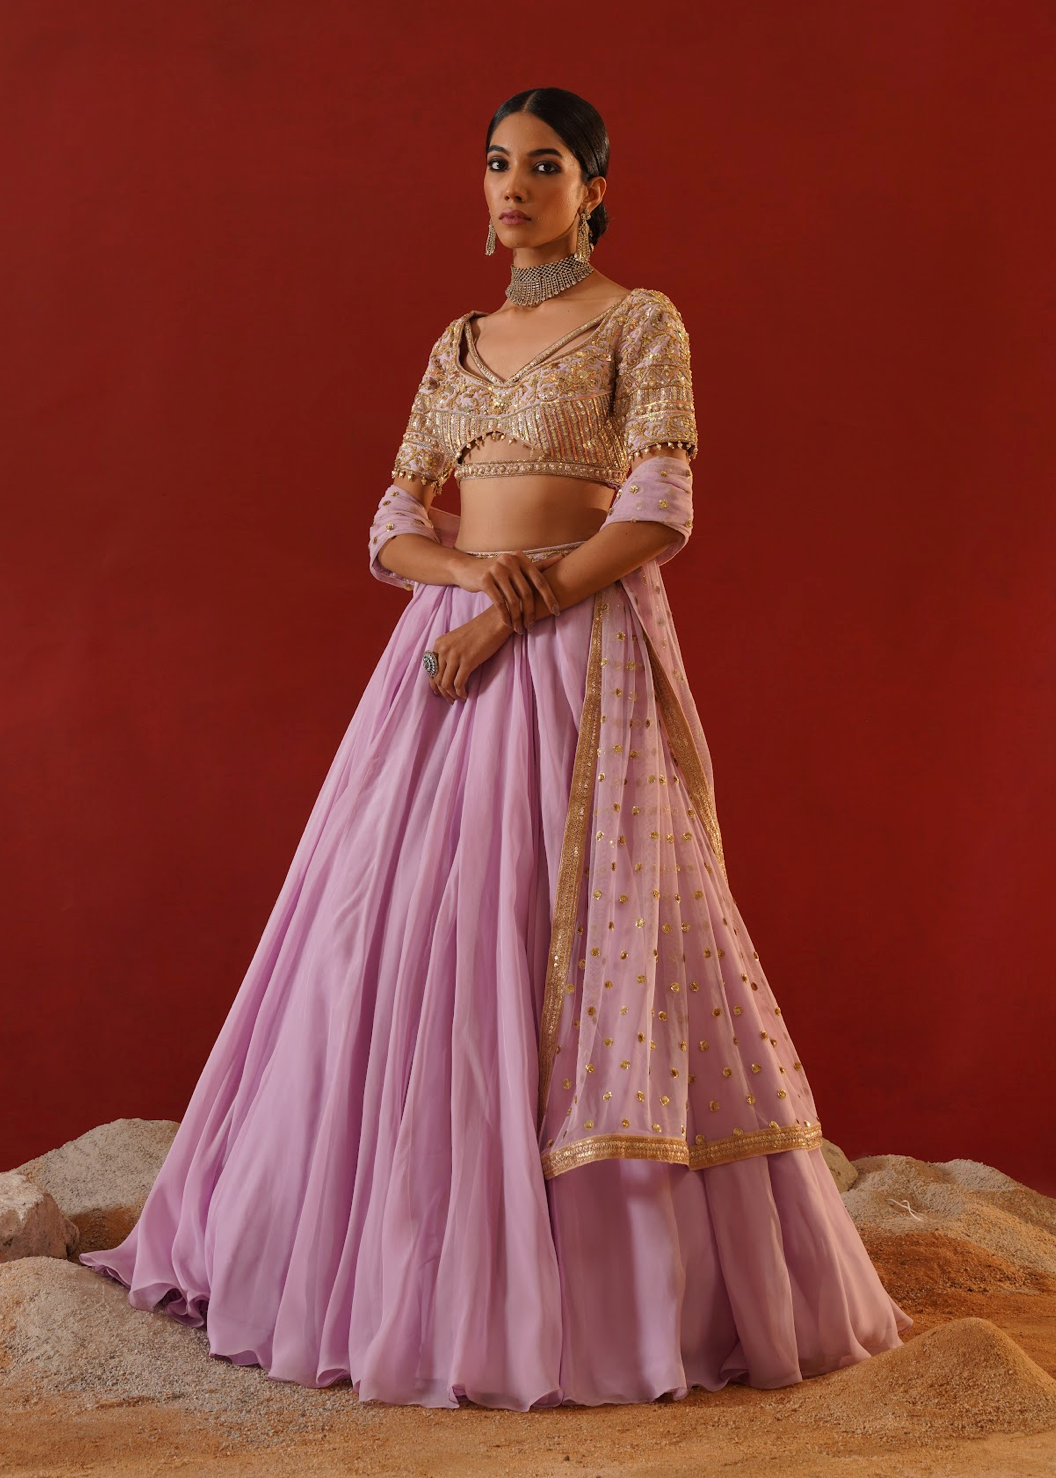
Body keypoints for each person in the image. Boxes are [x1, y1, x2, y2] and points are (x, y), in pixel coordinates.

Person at [79, 86, 912, 1411]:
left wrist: (527, 597)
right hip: (445, 657)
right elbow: (387, 525)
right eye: (494, 164)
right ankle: (396, 1264)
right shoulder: (458, 343)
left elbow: (661, 509)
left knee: (566, 938)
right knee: (400, 937)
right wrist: (471, 580)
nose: (511, 186)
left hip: (580, 662)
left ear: (593, 188)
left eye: (543, 165)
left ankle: (606, 1298)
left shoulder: (643, 321)